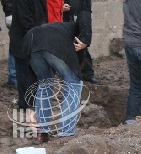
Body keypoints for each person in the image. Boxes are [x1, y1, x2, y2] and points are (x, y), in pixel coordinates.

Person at [24, 10, 91, 143]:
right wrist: (86, 41)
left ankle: (42, 134)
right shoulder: (75, 31)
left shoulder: (61, 28)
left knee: (45, 85)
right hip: (51, 42)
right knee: (74, 83)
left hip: (31, 41)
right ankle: (66, 132)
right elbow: (85, 14)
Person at [9, 0, 57, 110]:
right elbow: (26, 22)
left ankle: (33, 105)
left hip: (34, 41)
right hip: (24, 42)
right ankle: (25, 108)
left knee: (34, 76)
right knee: (25, 77)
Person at [61, 0, 98, 83]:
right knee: (68, 47)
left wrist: (86, 14)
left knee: (83, 45)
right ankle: (69, 74)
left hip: (82, 17)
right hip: (66, 19)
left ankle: (87, 73)